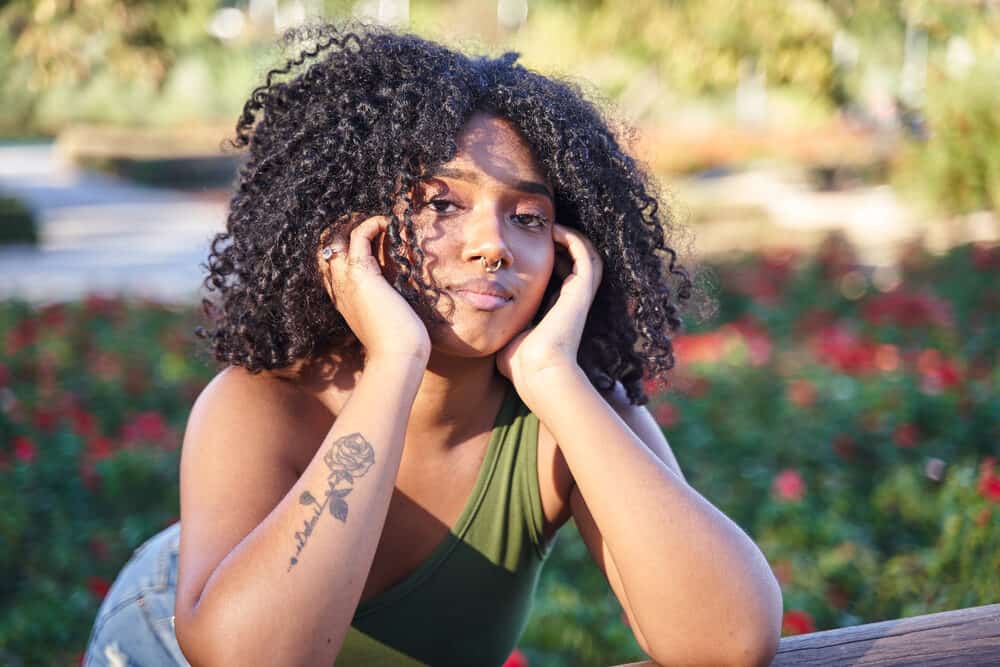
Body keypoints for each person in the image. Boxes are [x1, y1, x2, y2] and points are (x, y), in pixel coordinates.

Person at [84, 20, 783, 667]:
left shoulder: (565, 414)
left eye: (529, 216)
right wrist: (394, 363)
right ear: (354, 228)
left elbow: (729, 637)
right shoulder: (262, 404)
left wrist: (554, 378)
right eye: (441, 203)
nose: (492, 246)